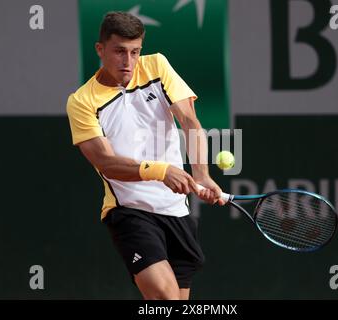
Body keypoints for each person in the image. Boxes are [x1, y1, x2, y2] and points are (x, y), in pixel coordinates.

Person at [66, 11, 225, 300]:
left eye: (135, 52)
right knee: (166, 298)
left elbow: (189, 121)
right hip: (130, 210)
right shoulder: (81, 101)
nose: (128, 62)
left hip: (177, 211)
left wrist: (201, 174)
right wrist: (161, 171)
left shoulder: (157, 66)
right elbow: (106, 163)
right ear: (100, 49)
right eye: (119, 52)